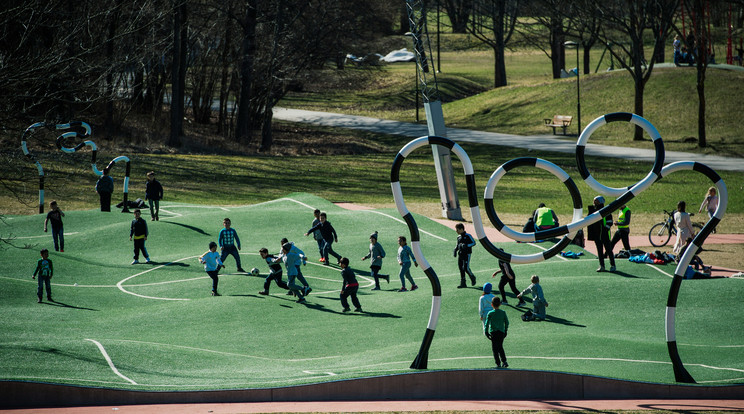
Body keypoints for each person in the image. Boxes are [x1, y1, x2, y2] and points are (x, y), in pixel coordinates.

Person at [590, 196, 615, 272]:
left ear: (600, 202)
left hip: (605, 234)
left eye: (596, 201)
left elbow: (610, 222)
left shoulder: (606, 210)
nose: (594, 203)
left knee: (608, 250)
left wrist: (604, 229)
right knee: (599, 250)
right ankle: (602, 266)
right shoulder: (593, 211)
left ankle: (613, 265)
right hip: (597, 234)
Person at [484, 297, 509, 368]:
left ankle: (498, 363)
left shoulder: (490, 313)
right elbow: (507, 322)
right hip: (501, 332)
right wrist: (505, 330)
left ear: (492, 305)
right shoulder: (503, 312)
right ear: (500, 304)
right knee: (500, 346)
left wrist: (486, 332)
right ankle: (504, 361)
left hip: (494, 333)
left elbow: (487, 323)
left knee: (495, 348)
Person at [454, 223, 477, 288]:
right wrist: (455, 250)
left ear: (461, 229)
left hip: (467, 254)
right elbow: (457, 245)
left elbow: (474, 243)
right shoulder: (458, 237)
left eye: (457, 229)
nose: (456, 231)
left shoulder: (468, 236)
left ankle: (472, 277)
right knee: (461, 268)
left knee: (466, 268)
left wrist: (466, 245)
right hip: (460, 255)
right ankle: (463, 283)